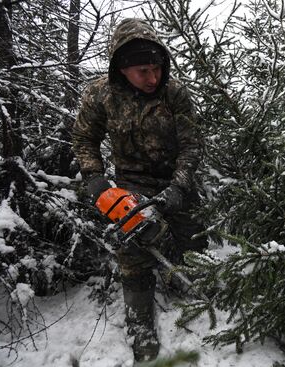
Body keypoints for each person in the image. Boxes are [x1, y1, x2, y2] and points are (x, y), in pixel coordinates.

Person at [71, 18, 206, 362]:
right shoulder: (101, 94)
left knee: (192, 244)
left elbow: (192, 145)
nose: (153, 78)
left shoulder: (174, 93)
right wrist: (96, 180)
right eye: (143, 71)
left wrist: (178, 187)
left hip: (177, 178)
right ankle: (140, 322)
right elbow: (85, 137)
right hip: (131, 181)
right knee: (132, 253)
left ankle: (181, 277)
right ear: (123, 68)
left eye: (157, 68)